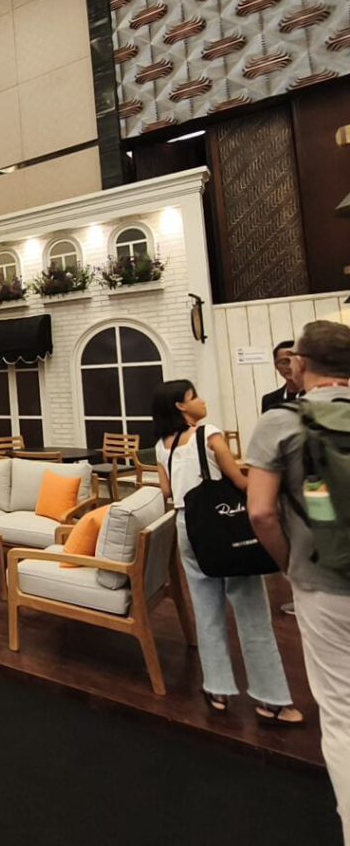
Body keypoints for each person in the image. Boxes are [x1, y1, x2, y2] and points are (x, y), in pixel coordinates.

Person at [247, 320, 350, 841]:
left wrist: (290, 566)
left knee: (342, 711)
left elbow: (261, 512)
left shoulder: (280, 422)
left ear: (300, 364)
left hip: (323, 580)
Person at [152, 379, 302, 724]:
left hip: (187, 527)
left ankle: (217, 689)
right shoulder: (209, 434)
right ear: (181, 406)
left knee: (206, 611)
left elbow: (166, 491)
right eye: (194, 397)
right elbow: (239, 481)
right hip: (224, 526)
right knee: (251, 611)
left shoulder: (161, 445)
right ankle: (272, 699)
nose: (202, 401)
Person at [262, 341, 303, 413]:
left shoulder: (317, 395)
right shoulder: (269, 400)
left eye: (295, 361)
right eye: (284, 362)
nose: (290, 366)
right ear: (276, 366)